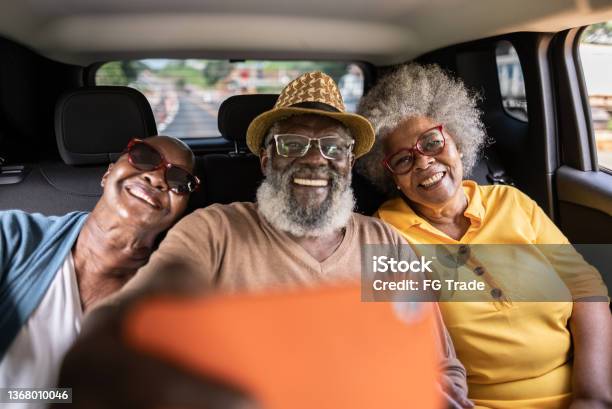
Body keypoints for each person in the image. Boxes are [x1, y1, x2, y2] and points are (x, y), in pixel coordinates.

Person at [59, 71, 472, 408]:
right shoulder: (213, 232)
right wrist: (118, 339)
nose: (315, 158)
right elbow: (132, 318)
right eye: (292, 144)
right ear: (267, 159)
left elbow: (442, 368)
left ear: (349, 162)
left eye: (333, 147)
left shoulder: (386, 241)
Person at [356, 63, 611, 409]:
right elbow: (398, 352)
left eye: (432, 142)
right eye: (403, 160)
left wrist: (592, 396)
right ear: (393, 179)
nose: (423, 162)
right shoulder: (384, 235)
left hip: (584, 388)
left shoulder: (513, 202)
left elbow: (587, 290)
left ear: (458, 143)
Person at [0, 136, 199, 393]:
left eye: (180, 181)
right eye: (143, 157)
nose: (158, 179)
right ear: (107, 174)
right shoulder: (12, 235)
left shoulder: (167, 303)